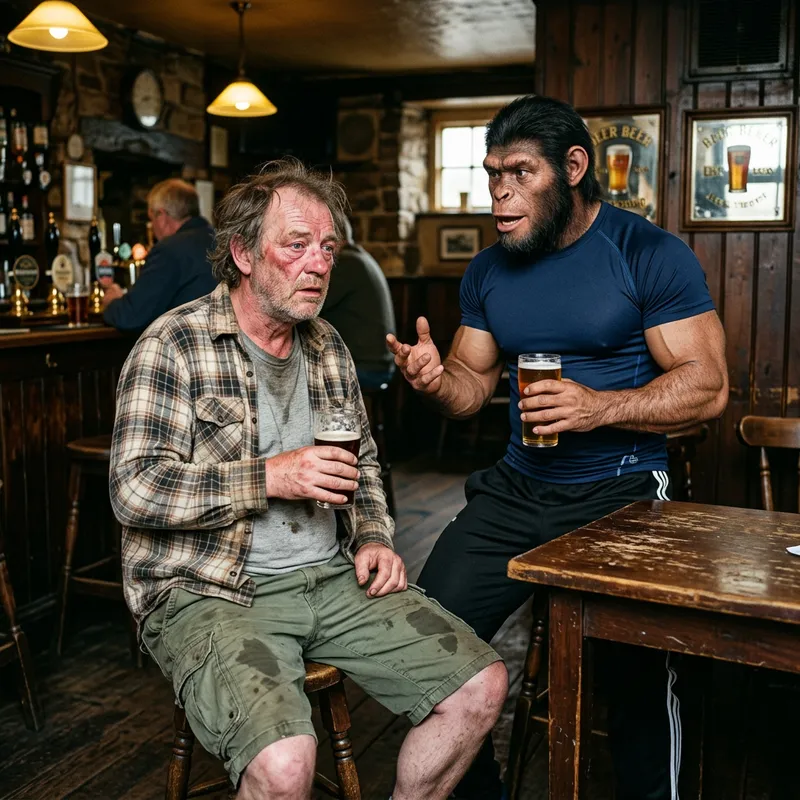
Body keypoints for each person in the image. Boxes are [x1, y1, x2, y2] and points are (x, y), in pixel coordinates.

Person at [109, 158, 507, 800]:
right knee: (288, 764)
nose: (318, 263)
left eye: (327, 248)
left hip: (329, 575)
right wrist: (269, 476)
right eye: (296, 245)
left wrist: (375, 535)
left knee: (481, 686)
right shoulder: (173, 345)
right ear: (242, 252)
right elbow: (134, 490)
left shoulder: (327, 347)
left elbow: (366, 465)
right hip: (212, 589)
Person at [388, 95, 728, 800]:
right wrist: (432, 379)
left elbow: (708, 387)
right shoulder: (488, 271)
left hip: (621, 493)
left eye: (520, 173)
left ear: (573, 168)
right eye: (491, 176)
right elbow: (471, 386)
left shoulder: (647, 254)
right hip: (517, 489)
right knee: (421, 645)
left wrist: (599, 407)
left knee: (635, 681)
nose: (501, 193)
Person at [102, 178, 217, 332]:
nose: (151, 227)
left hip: (187, 349)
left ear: (161, 216)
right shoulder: (222, 240)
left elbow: (130, 316)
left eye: (151, 220)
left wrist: (113, 302)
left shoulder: (169, 250)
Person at [320, 217, 396, 390]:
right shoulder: (359, 257)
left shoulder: (348, 263)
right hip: (378, 362)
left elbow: (314, 307)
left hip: (368, 367)